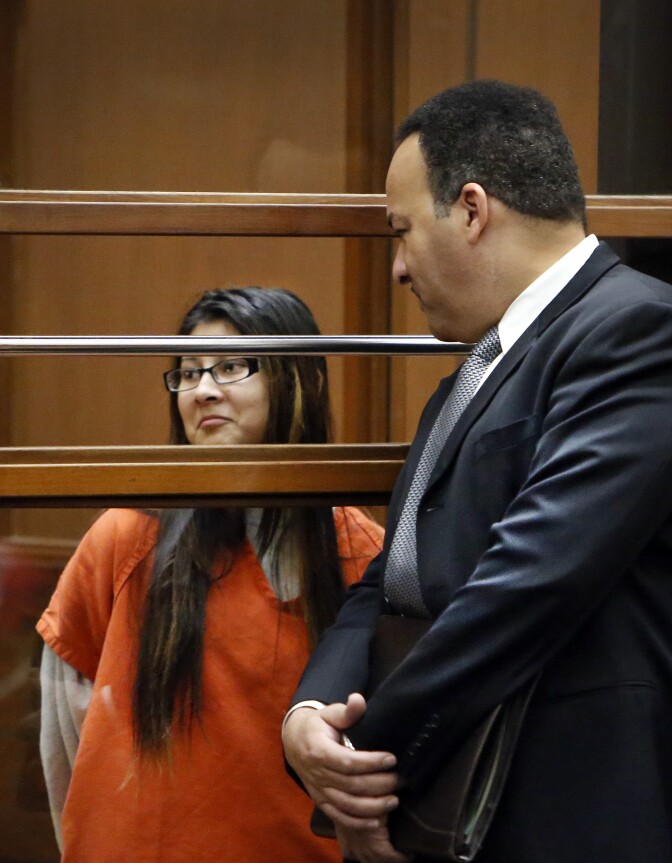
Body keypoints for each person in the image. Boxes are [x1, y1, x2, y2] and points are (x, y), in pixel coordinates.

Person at [282, 79, 672, 863]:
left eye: (400, 232)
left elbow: (530, 584)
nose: (396, 268)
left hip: (567, 812)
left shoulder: (638, 328)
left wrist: (371, 773)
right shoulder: (472, 371)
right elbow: (390, 576)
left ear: (469, 208)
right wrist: (308, 715)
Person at [37, 286, 384, 863]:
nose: (202, 390)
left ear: (300, 380)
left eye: (230, 367)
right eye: (188, 372)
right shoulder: (124, 536)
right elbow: (64, 734)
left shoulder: (359, 550)